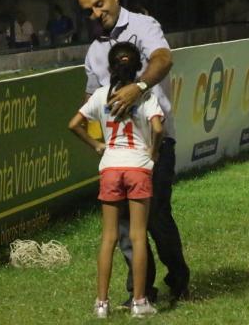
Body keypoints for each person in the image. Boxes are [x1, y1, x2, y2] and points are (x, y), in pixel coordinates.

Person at [77, 0, 190, 306]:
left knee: (155, 217)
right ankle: (140, 292)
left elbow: (163, 59)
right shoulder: (94, 51)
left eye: (100, 4)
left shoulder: (143, 25)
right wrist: (101, 144)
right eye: (89, 11)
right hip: (119, 155)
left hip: (155, 146)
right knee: (125, 228)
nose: (97, 13)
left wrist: (138, 88)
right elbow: (90, 100)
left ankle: (179, 280)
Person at [68, 42, 162, 318]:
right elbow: (158, 127)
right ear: (138, 67)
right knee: (138, 236)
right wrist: (154, 152)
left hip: (110, 167)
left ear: (110, 68)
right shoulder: (145, 97)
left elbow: (74, 124)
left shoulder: (99, 95)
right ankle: (139, 302)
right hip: (138, 168)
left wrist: (97, 145)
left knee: (108, 238)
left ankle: (101, 304)